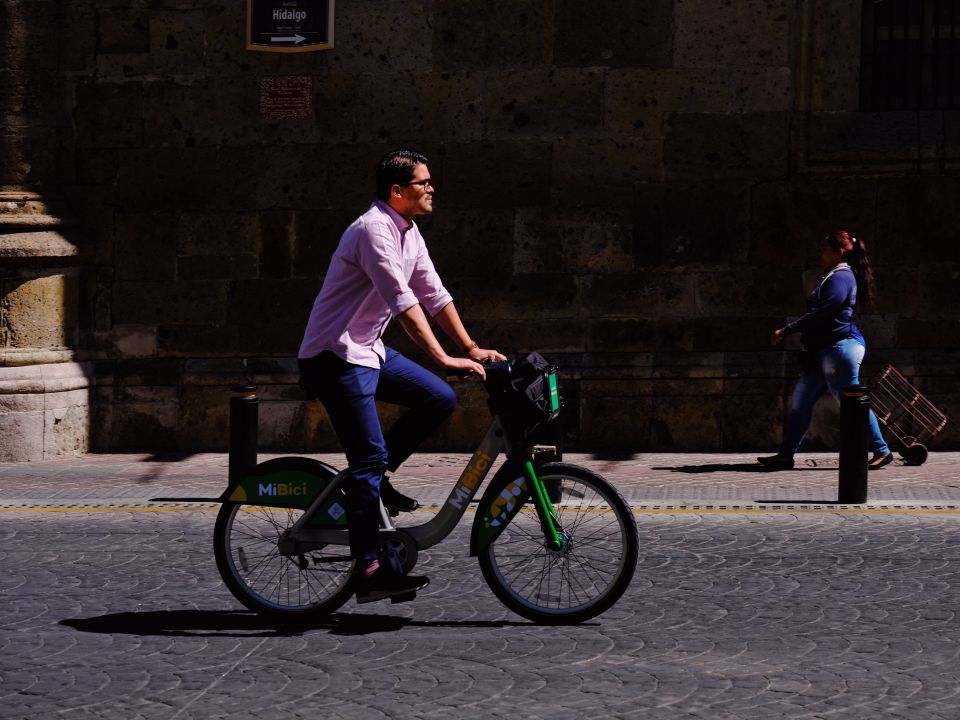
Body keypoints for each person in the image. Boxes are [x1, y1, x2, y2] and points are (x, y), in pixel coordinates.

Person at [298, 150, 505, 604]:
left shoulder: (408, 232)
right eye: (422, 183)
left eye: (431, 182)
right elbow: (402, 303)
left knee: (438, 399)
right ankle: (368, 566)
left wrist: (469, 348)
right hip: (334, 356)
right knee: (367, 460)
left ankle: (375, 482)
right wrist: (443, 358)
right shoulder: (373, 231)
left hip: (368, 349)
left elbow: (434, 293)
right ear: (397, 191)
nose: (431, 189)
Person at [758, 230, 893, 471]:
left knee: (851, 401)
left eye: (824, 249)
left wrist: (787, 330)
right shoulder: (834, 275)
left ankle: (881, 449)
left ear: (838, 252)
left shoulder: (841, 277)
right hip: (825, 351)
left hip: (839, 348)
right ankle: (785, 454)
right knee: (802, 400)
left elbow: (825, 312)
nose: (821, 254)